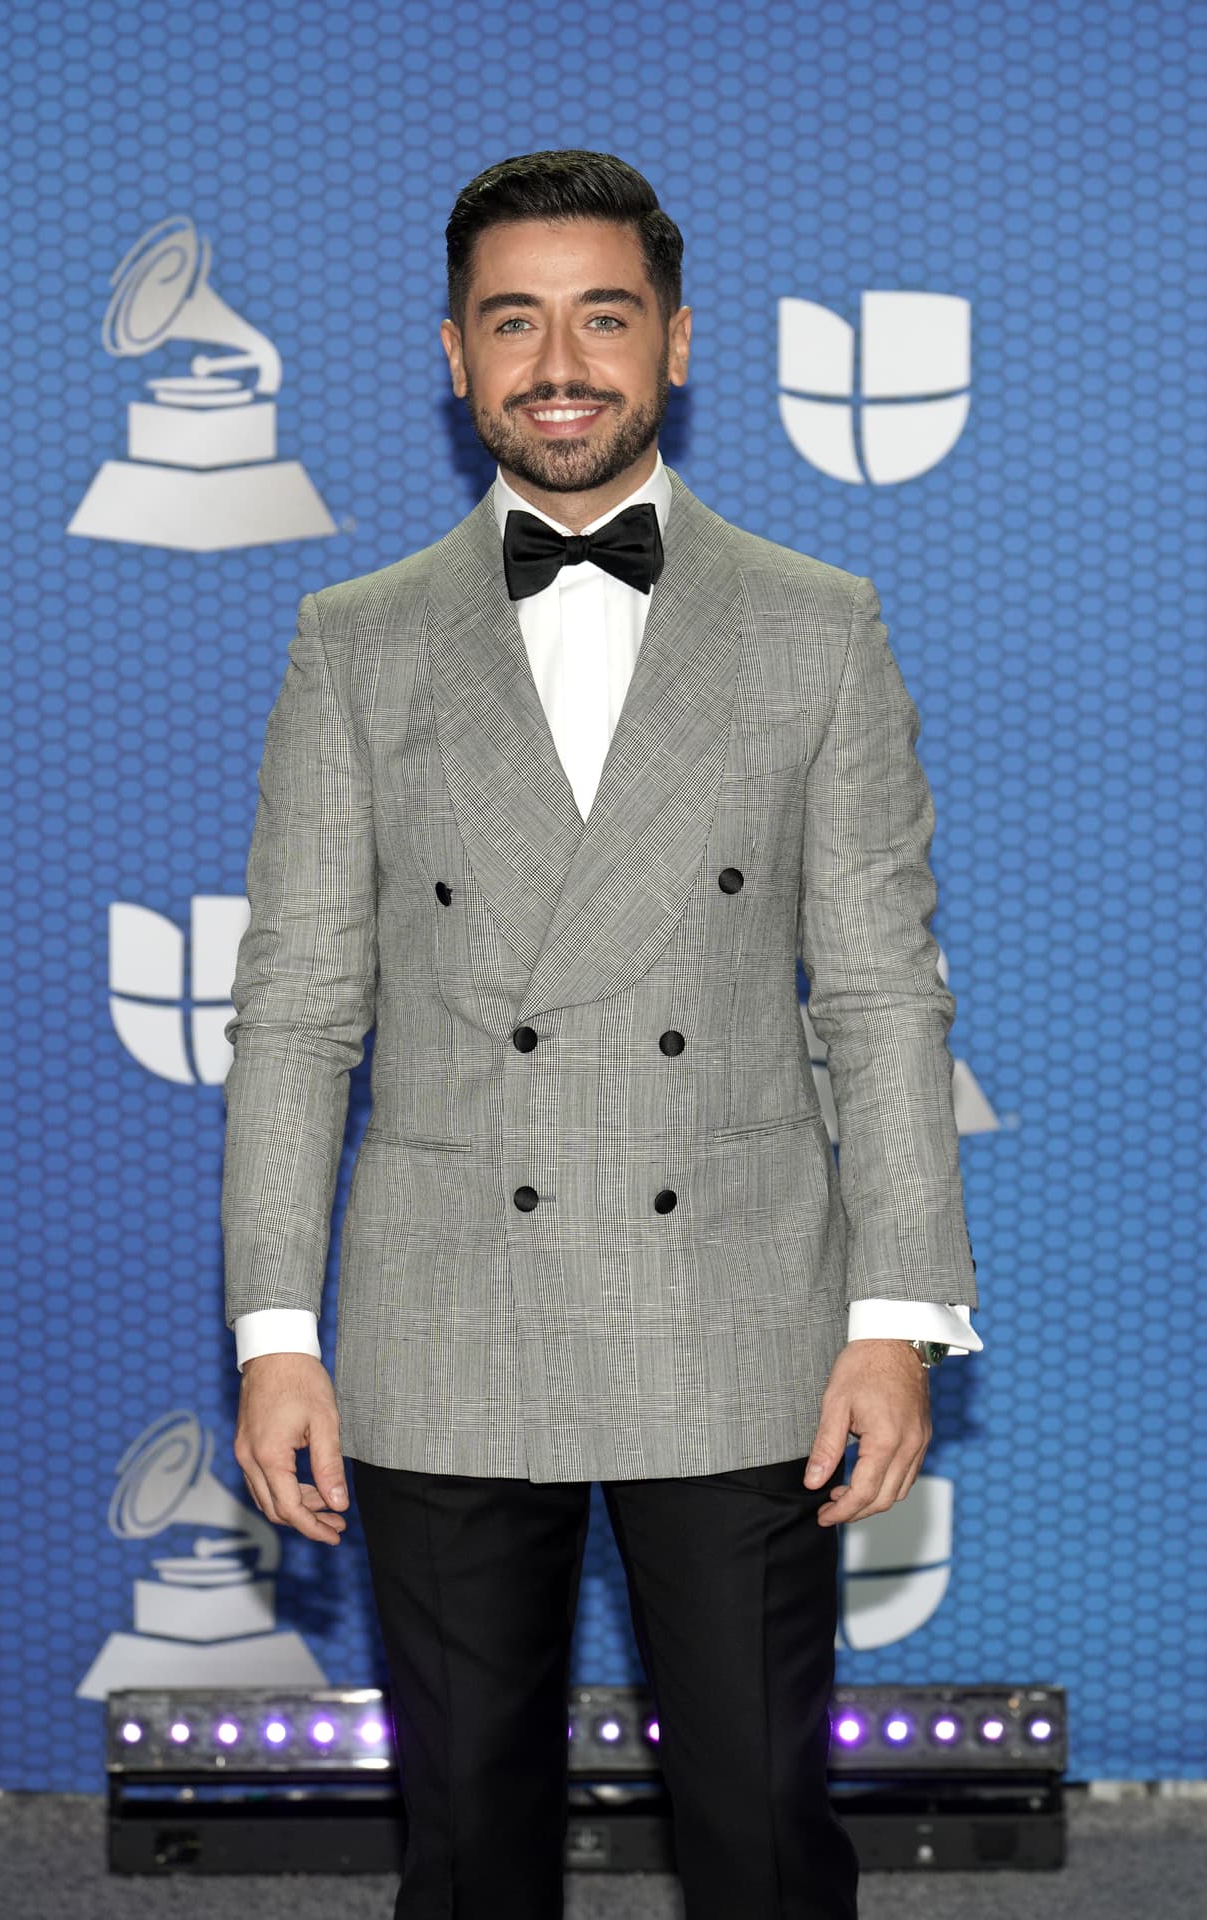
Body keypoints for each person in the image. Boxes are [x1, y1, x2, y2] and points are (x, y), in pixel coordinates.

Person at [220, 149, 983, 1920]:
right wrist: (274, 1330)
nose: (559, 360)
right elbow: (297, 1007)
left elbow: (879, 988)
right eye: (515, 320)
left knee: (762, 1837)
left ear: (679, 344)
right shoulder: (354, 642)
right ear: (456, 355)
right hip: (440, 1306)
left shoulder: (816, 626)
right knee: (470, 1849)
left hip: (735, 1311)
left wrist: (896, 1321)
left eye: (603, 316)